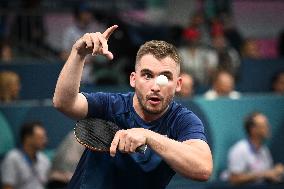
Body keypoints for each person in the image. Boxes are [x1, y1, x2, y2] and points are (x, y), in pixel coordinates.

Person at [53, 25, 213, 189]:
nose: (156, 86)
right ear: (133, 79)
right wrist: (78, 54)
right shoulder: (111, 106)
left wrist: (148, 136)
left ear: (178, 84)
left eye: (165, 77)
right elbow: (64, 103)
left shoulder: (182, 121)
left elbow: (203, 169)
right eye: (147, 75)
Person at [226, 112, 284, 185]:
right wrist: (264, 174)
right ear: (253, 129)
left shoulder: (264, 150)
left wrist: (276, 171)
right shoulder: (239, 149)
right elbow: (234, 179)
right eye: (264, 125)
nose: (268, 128)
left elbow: (268, 174)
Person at [0, 121, 50, 189]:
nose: (45, 141)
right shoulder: (12, 158)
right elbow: (7, 186)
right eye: (40, 138)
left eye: (44, 137)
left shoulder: (44, 160)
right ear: (28, 138)